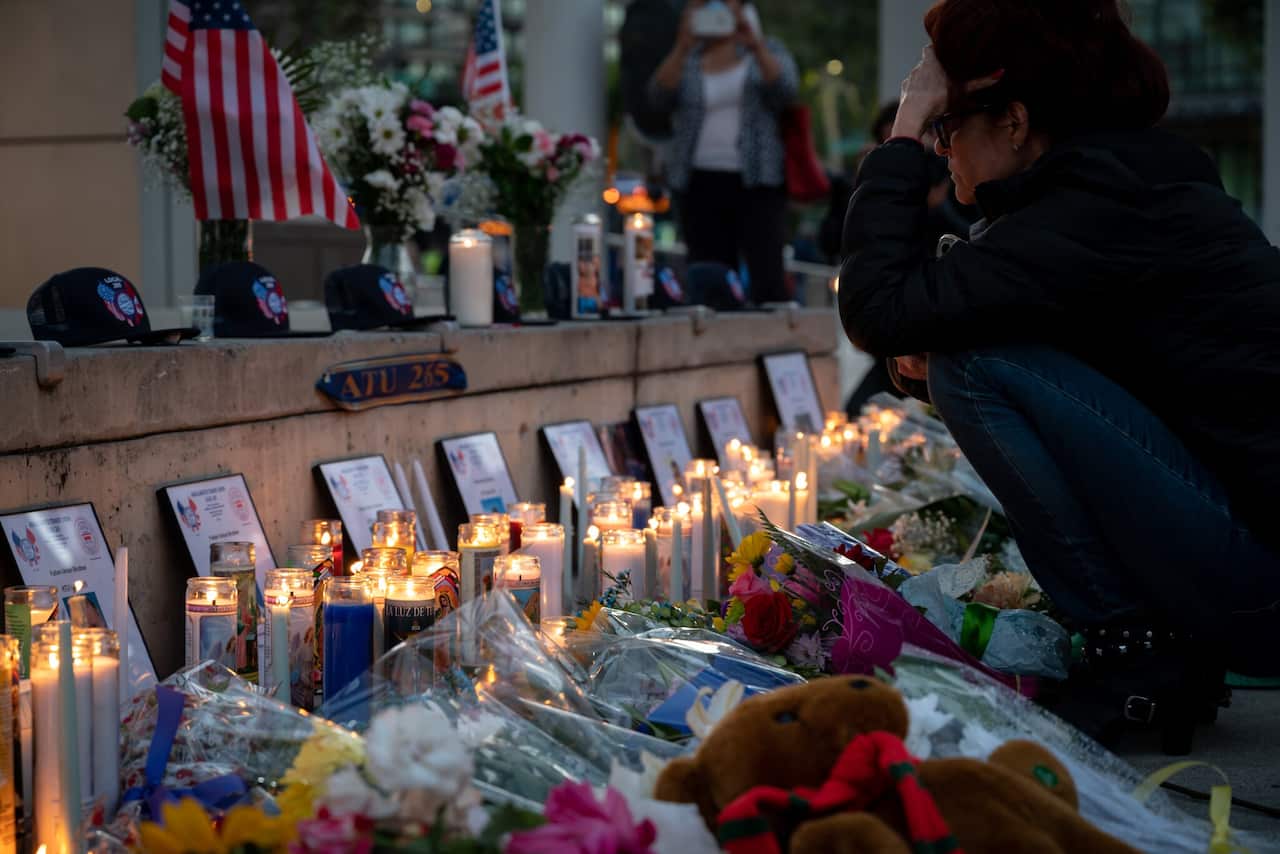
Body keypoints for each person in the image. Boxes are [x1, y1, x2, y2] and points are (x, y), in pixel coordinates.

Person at [839, 0, 1280, 754]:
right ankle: (1149, 653)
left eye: (946, 127)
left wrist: (903, 128)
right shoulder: (1115, 187)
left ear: (1013, 122)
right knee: (967, 355)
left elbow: (877, 310)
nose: (941, 150)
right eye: (932, 132)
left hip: (1260, 588)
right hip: (1247, 562)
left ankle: (1134, 656)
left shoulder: (1098, 203)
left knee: (973, 363)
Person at [648, 0, 798, 304]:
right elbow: (657, 98)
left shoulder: (766, 49)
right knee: (709, 274)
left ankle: (773, 332)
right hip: (698, 181)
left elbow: (786, 90)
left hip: (757, 180)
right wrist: (681, 45)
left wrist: (755, 44)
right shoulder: (689, 57)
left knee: (767, 273)